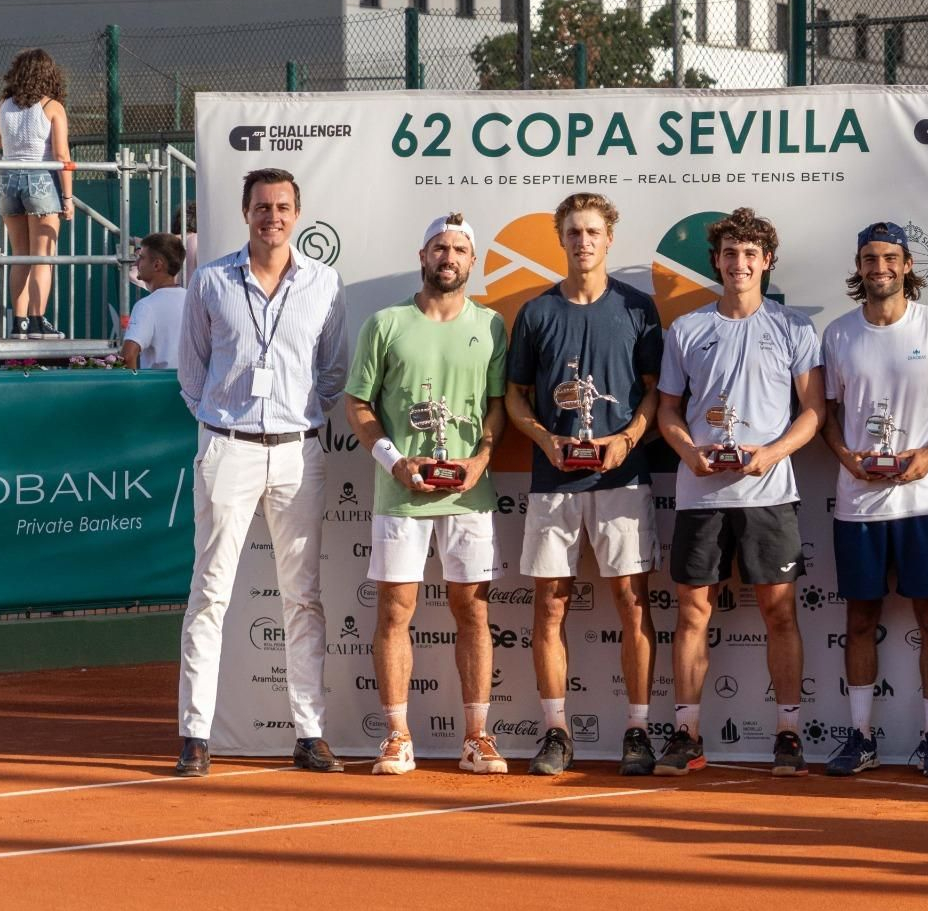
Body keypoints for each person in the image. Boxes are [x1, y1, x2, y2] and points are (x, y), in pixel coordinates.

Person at [173, 167, 348, 777]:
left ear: (298, 214)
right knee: (210, 594)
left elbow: (332, 373)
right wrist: (225, 424)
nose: (272, 216)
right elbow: (191, 373)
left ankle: (310, 733)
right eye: (261, 207)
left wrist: (293, 421)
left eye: (282, 207)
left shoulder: (325, 283)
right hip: (228, 448)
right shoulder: (212, 281)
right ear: (245, 212)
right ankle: (196, 734)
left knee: (302, 597)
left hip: (298, 451)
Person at [655, 208, 824, 777]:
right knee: (692, 612)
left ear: (767, 261)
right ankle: (686, 734)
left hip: (769, 494)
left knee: (779, 613)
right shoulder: (687, 329)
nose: (740, 263)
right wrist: (689, 453)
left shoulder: (794, 328)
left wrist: (769, 455)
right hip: (701, 495)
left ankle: (789, 733)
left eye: (751, 254)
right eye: (730, 253)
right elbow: (668, 410)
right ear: (717, 262)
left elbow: (814, 412)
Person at [504, 192, 663, 777]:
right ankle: (555, 731)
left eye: (593, 231)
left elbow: (655, 390)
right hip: (553, 482)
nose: (584, 241)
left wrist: (629, 437)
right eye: (573, 233)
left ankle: (639, 731)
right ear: (561, 239)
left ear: (609, 238)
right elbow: (516, 398)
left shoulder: (639, 308)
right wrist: (546, 440)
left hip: (622, 476)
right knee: (549, 605)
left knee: (632, 602)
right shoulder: (536, 312)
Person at [345, 212, 510, 777]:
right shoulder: (384, 324)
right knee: (395, 611)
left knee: (474, 611)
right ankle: (397, 736)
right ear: (423, 257)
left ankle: (478, 737)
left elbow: (495, 407)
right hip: (402, 496)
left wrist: (480, 460)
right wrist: (394, 461)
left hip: (470, 495)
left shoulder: (491, 326)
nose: (449, 258)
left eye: (460, 250)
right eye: (439, 248)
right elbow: (358, 404)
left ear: (472, 260)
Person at [819, 221, 928, 779]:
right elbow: (827, 415)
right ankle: (860, 737)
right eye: (868, 258)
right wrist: (845, 455)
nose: (878, 266)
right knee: (860, 619)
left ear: (907, 264)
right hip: (857, 505)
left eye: (889, 257)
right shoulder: (837, 334)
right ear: (858, 268)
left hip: (922, 503)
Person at [0, 48, 73, 341]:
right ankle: (38, 321)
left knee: (20, 257)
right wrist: (68, 197)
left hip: (9, 179)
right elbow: (62, 154)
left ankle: (19, 322)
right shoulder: (52, 106)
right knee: (42, 257)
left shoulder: (3, 104)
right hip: (41, 179)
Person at [123, 233, 187, 370]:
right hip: (195, 387)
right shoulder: (193, 300)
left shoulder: (146, 306)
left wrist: (132, 390)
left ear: (157, 265)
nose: (136, 263)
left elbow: (128, 356)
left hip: (158, 389)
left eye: (141, 257)